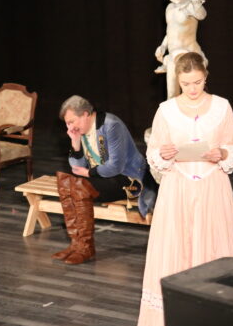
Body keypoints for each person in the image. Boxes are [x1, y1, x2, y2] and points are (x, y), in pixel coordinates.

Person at [136, 52, 233, 326]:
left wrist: (222, 153)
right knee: (177, 250)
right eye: (186, 84)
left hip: (212, 187)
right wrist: (163, 153)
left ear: (205, 77)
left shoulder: (222, 107)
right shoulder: (166, 110)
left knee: (214, 247)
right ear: (178, 81)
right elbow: (153, 152)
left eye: (197, 82)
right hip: (178, 189)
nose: (192, 88)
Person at [53, 95, 157, 265]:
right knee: (64, 182)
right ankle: (77, 244)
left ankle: (85, 248)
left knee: (78, 187)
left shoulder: (111, 125)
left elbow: (115, 167)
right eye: (67, 123)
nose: (70, 127)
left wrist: (89, 173)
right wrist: (75, 142)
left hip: (129, 179)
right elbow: (76, 167)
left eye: (72, 122)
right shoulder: (82, 130)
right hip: (102, 177)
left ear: (85, 114)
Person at [154, 0, 208, 98]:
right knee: (172, 95)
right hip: (174, 55)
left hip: (189, 54)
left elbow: (201, 15)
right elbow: (171, 31)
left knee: (190, 94)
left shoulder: (190, 6)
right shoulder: (169, 8)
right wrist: (163, 46)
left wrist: (197, 2)